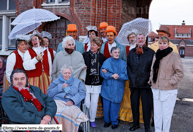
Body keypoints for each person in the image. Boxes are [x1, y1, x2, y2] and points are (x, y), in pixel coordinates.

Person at [149, 36, 183, 132]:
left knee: (166, 115)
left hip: (169, 90)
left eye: (164, 43)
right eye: (160, 43)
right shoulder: (156, 55)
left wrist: (170, 81)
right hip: (156, 89)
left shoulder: (174, 56)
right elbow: (152, 70)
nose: (162, 45)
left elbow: (179, 73)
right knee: (157, 115)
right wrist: (151, 80)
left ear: (168, 44)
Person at [48, 64, 88, 132]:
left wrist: (72, 101)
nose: (67, 75)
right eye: (65, 73)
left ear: (71, 73)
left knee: (65, 113)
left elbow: (82, 93)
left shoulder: (78, 82)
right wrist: (60, 87)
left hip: (72, 104)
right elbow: (49, 93)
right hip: (57, 102)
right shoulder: (56, 81)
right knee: (55, 112)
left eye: (69, 73)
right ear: (61, 73)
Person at [127, 33, 154, 132]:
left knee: (146, 105)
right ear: (136, 40)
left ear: (145, 39)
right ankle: (135, 124)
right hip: (134, 82)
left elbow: (153, 67)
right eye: (138, 38)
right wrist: (131, 76)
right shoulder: (131, 52)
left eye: (142, 38)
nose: (140, 40)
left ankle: (147, 126)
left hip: (146, 83)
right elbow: (128, 66)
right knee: (134, 104)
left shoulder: (151, 52)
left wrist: (149, 79)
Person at [100, 47, 128, 130]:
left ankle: (114, 121)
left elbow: (126, 75)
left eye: (118, 52)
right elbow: (102, 72)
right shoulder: (107, 62)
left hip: (118, 87)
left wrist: (118, 76)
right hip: (108, 87)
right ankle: (107, 121)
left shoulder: (123, 63)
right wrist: (111, 75)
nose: (117, 54)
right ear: (111, 53)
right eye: (115, 52)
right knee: (106, 106)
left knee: (115, 106)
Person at [83, 37, 106, 128]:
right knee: (86, 103)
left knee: (94, 102)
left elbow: (105, 67)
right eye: (91, 45)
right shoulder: (85, 55)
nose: (92, 46)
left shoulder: (102, 57)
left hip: (97, 83)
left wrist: (105, 70)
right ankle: (85, 118)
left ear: (99, 46)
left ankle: (92, 120)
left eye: (94, 45)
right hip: (87, 82)